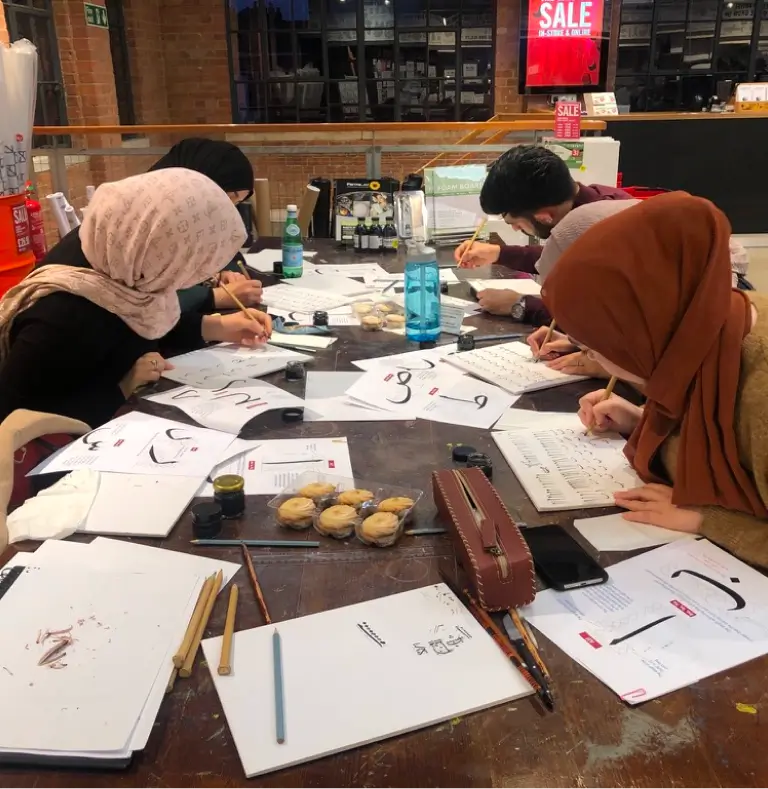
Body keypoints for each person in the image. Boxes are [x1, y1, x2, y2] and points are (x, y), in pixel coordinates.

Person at [542, 192, 768, 568]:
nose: (593, 358)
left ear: (643, 331)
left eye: (598, 345)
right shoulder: (705, 330)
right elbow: (712, 413)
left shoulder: (760, 391)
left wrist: (708, 520)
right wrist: (641, 418)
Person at [0, 168, 272, 428]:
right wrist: (122, 387)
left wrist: (218, 327)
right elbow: (17, 418)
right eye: (192, 264)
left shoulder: (121, 258)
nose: (195, 277)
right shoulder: (64, 315)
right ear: (161, 249)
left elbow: (140, 323)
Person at [39, 138, 262, 313]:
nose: (230, 210)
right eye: (229, 197)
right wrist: (215, 298)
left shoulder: (183, 221)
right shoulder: (146, 228)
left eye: (239, 202)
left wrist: (223, 270)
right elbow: (136, 301)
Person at [454, 145, 632, 323]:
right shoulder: (597, 198)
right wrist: (497, 253)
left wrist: (520, 304)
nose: (516, 229)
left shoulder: (601, 232)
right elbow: (563, 256)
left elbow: (602, 319)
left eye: (515, 223)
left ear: (545, 217)